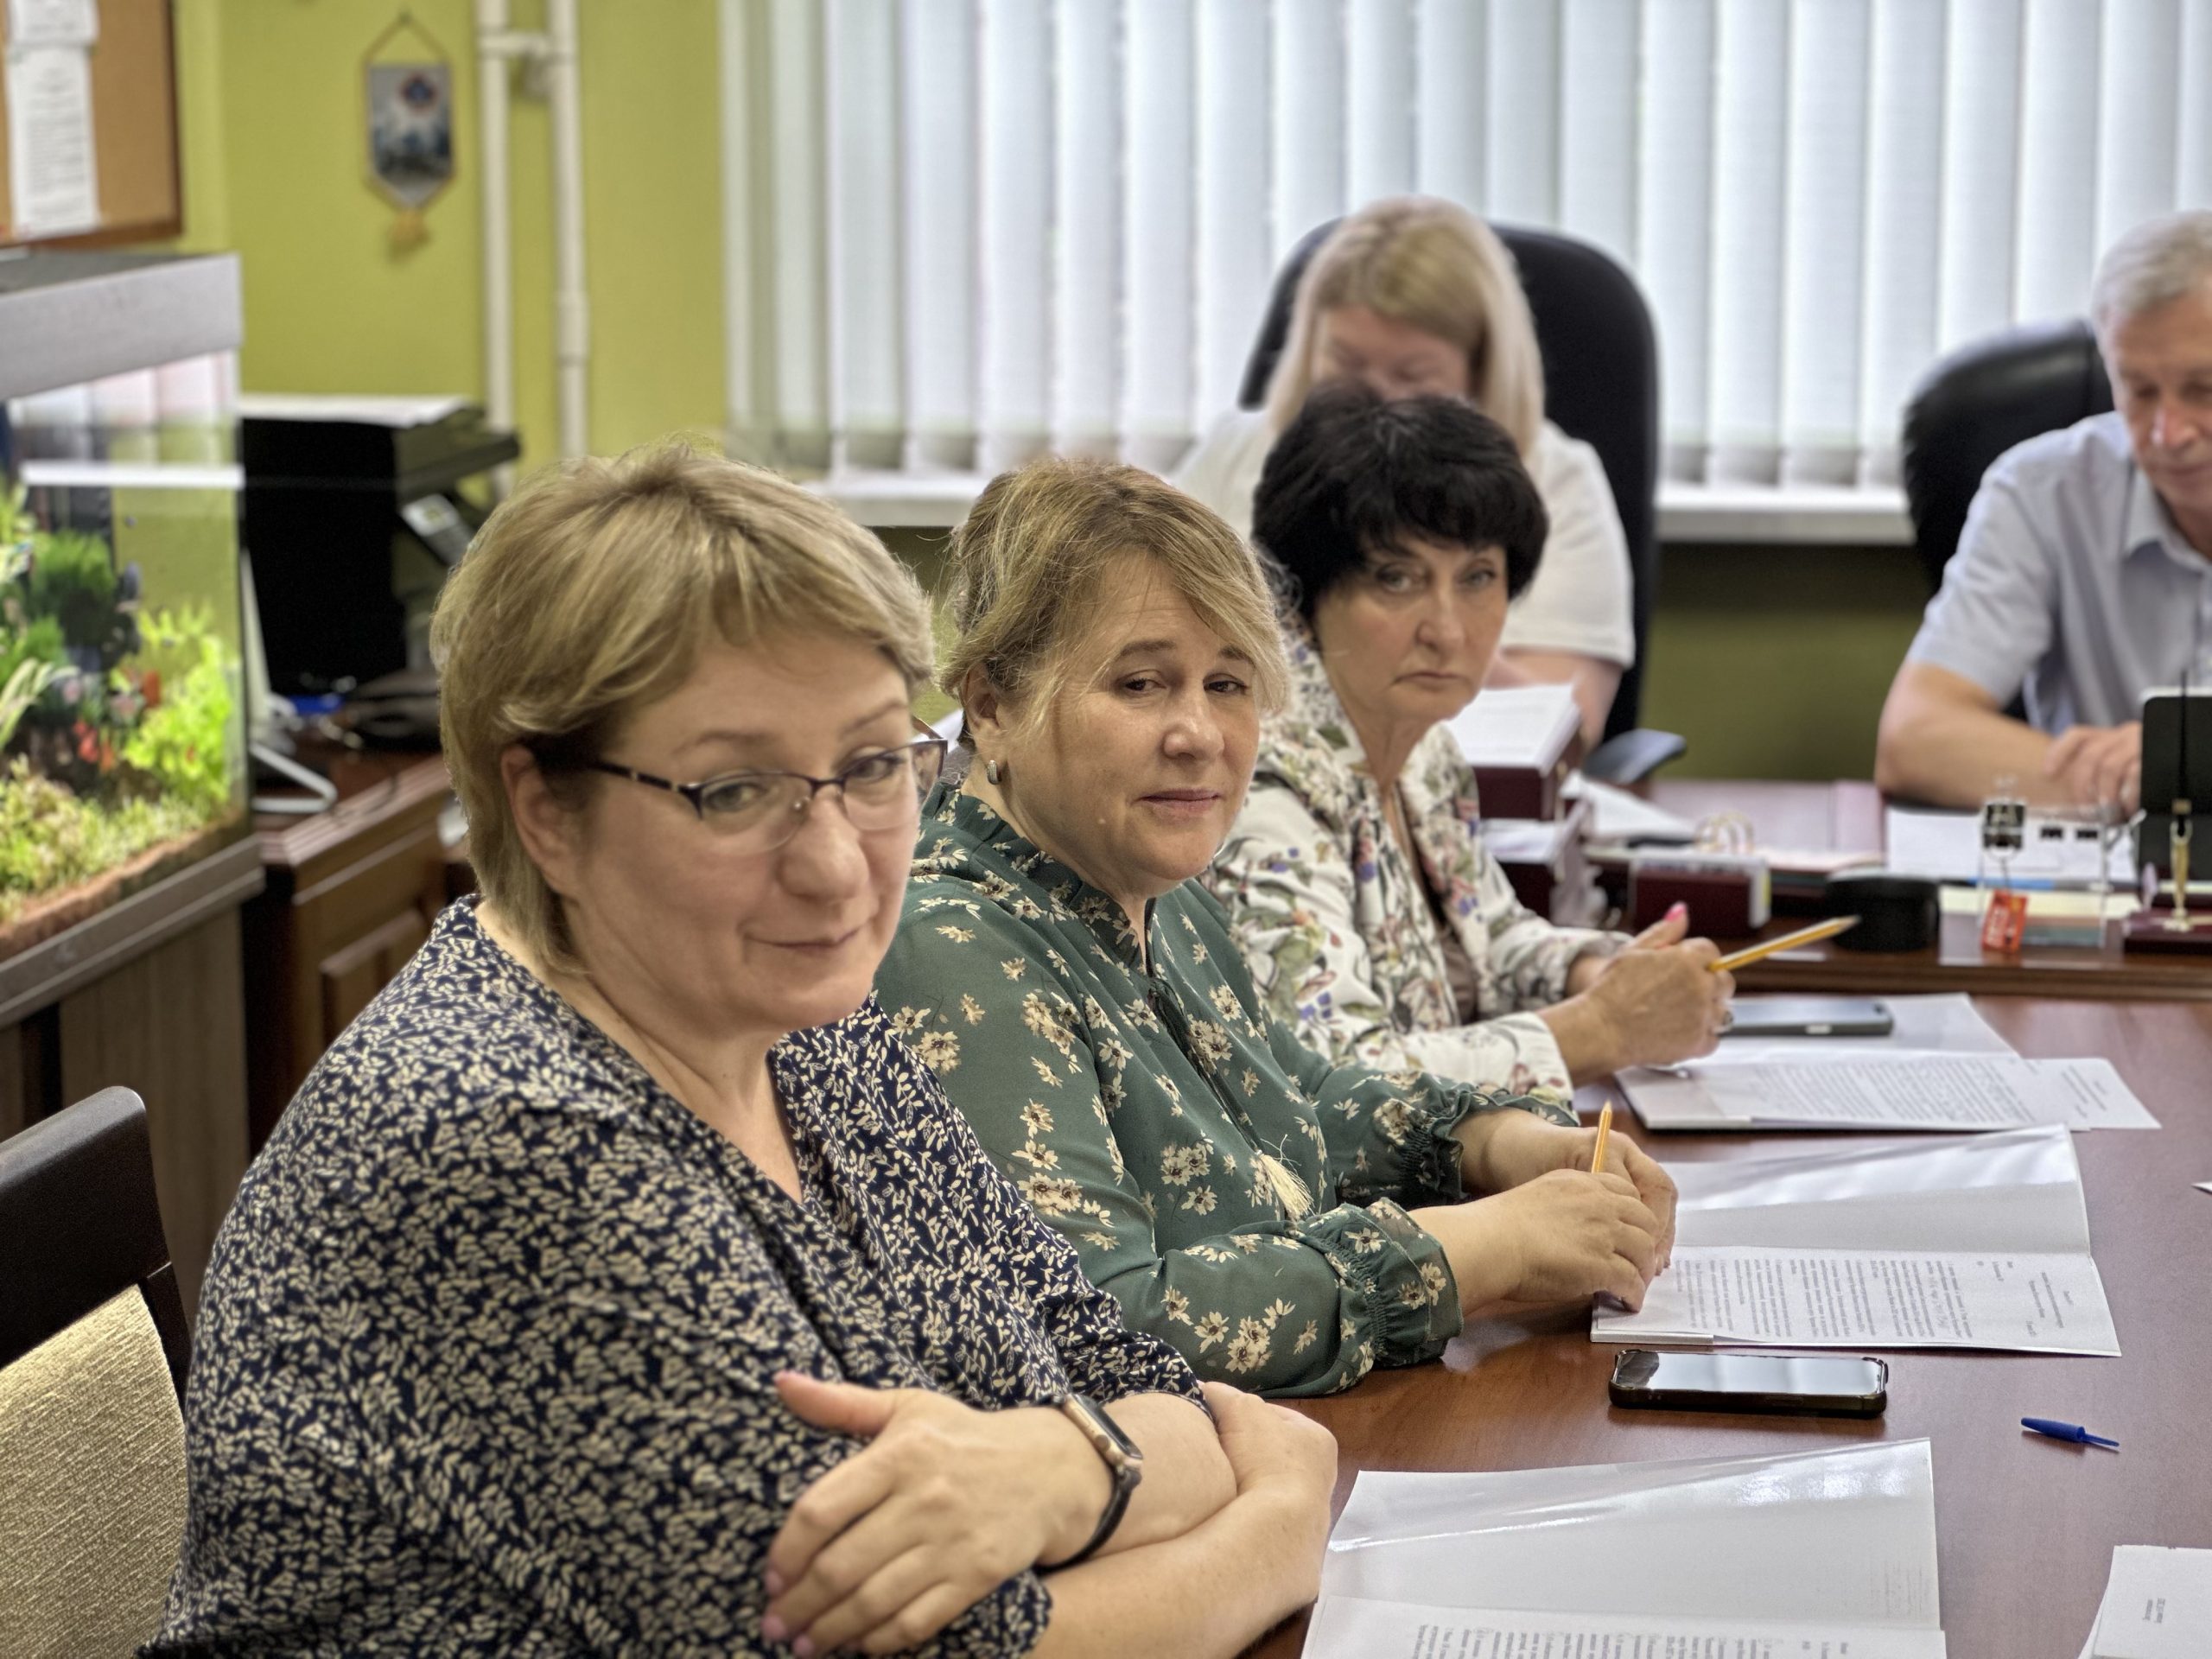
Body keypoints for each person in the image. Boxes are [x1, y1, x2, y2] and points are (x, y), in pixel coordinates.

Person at [151, 444, 1337, 1658]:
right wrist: (1278, 1528)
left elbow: (1128, 1368)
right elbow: (933, 1647)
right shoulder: (513, 1142)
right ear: (546, 808)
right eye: (733, 791)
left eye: (871, 767)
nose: (834, 866)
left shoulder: (797, 1020)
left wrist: (1059, 1466)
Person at [874, 456, 1675, 1401]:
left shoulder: (1155, 887)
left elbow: (1293, 1101)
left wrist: (1493, 1142)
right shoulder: (950, 944)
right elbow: (1104, 1325)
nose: (1200, 734)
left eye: (1227, 683)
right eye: (1139, 684)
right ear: (991, 707)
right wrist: (1480, 1248)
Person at [1207, 387, 1732, 1098]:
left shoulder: (1423, 747)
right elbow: (1334, 1081)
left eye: (1478, 577)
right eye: (1397, 579)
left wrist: (1608, 974)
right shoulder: (1258, 786)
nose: (1448, 631)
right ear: (1302, 594)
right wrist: (1605, 1027)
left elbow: (1491, 938)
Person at [1175, 195, 1633, 748]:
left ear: (1480, 372)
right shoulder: (1237, 448)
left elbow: (1570, 730)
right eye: (1346, 364)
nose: (1376, 399)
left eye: (1414, 376)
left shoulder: (1558, 482)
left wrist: (1394, 635)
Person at [1877, 209, 2212, 812]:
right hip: (2097, 865)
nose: (2169, 433)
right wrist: (2152, 782)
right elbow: (1916, 737)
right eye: (2139, 391)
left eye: (2203, 390)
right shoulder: (2044, 490)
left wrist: (2192, 766)